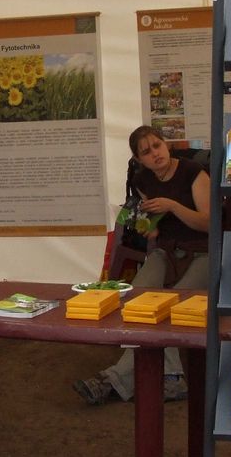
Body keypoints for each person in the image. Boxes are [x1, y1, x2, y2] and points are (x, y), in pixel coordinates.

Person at [74, 126, 210, 405]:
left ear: (166, 144)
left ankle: (119, 379)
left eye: (157, 145)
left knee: (172, 307)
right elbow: (151, 224)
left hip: (203, 253)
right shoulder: (142, 180)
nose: (155, 154)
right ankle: (168, 376)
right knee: (136, 302)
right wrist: (149, 227)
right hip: (165, 252)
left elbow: (209, 223)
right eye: (146, 152)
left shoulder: (193, 172)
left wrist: (173, 206)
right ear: (139, 159)